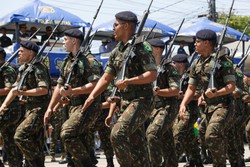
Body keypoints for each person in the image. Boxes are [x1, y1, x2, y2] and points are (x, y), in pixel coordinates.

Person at [81, 11, 157, 167]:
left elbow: (152, 74)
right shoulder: (117, 51)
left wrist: (129, 81)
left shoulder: (142, 47)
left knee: (117, 134)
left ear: (126, 26)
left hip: (142, 100)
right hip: (126, 102)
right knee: (137, 146)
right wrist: (92, 96)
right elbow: (106, 77)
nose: (113, 28)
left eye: (115, 25)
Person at [44, 28, 102, 166]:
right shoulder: (67, 61)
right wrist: (50, 108)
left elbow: (95, 84)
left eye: (65, 40)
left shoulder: (89, 60)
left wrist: (72, 91)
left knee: (67, 133)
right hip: (72, 107)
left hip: (88, 106)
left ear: (74, 41)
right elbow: (59, 86)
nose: (63, 43)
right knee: (81, 140)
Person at [179, 29, 236, 167]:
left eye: (197, 42)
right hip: (208, 108)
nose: (195, 44)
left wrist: (217, 93)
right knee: (206, 136)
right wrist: (183, 104)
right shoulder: (197, 63)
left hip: (224, 105)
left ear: (206, 43)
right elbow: (191, 88)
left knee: (212, 134)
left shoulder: (223, 61)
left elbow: (231, 86)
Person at [0, 40, 51, 166]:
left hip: (39, 109)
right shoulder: (23, 68)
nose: (19, 54)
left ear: (31, 53)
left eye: (22, 51)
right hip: (29, 110)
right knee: (36, 143)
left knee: (20, 135)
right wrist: (3, 106)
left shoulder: (39, 67)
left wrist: (25, 93)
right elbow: (14, 90)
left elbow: (43, 90)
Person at [146, 38, 180, 167]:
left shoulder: (169, 68)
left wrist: (159, 91)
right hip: (153, 109)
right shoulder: (148, 68)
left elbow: (175, 90)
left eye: (150, 48)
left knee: (152, 134)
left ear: (158, 49)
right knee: (166, 139)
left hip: (167, 107)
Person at [172, 53, 204, 167]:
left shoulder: (192, 74)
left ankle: (171, 162)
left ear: (180, 64)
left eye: (174, 63)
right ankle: (196, 161)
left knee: (178, 134)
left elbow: (199, 92)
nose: (173, 65)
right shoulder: (176, 75)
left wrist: (184, 96)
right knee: (189, 138)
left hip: (190, 111)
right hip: (179, 110)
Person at [0, 47, 23, 167]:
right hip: (4, 110)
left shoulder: (7, 70)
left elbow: (9, 89)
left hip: (9, 110)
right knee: (9, 142)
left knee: (10, 139)